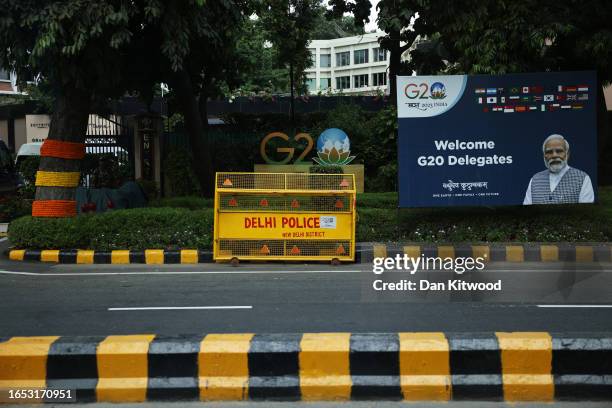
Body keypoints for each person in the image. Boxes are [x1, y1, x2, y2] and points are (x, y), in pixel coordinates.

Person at [523, 134, 594, 205]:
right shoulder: (535, 180)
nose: (554, 155)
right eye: (549, 152)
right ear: (544, 156)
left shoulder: (582, 178)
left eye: (559, 151)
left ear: (567, 154)